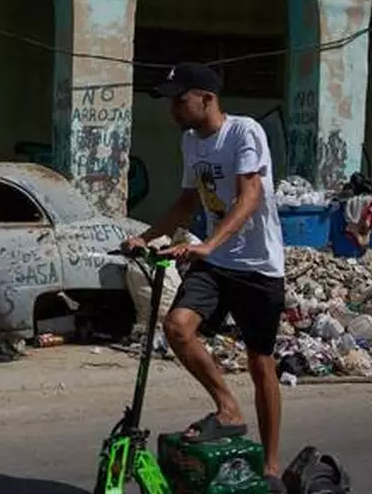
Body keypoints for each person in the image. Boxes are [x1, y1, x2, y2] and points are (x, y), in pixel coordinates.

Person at [120, 62, 286, 491]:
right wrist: (145, 237)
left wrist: (209, 244)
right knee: (177, 327)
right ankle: (227, 407)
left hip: (258, 267)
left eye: (180, 99)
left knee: (260, 363)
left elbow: (250, 195)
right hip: (216, 264)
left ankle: (270, 466)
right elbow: (187, 201)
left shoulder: (244, 132)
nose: (173, 108)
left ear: (206, 98)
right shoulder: (190, 142)